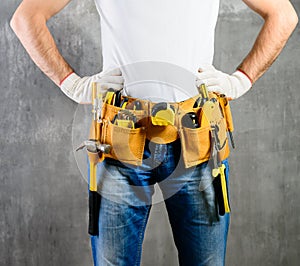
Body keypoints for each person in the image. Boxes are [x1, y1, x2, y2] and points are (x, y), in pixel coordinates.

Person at [10, 0, 298, 265]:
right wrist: (72, 84)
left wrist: (241, 81)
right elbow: (26, 18)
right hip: (119, 140)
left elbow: (283, 16)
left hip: (196, 139)